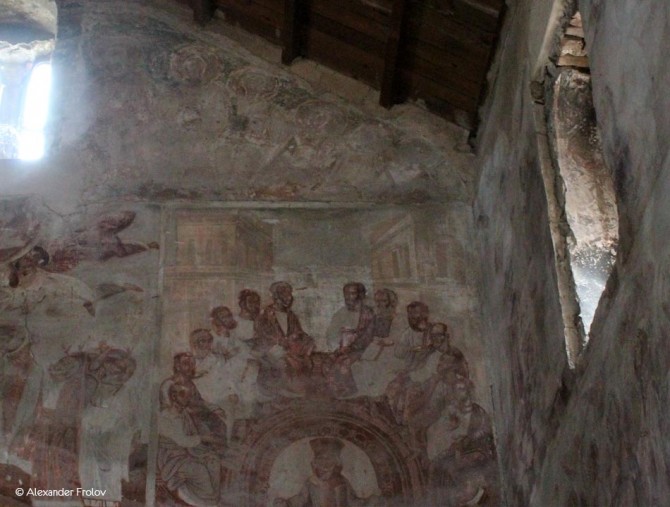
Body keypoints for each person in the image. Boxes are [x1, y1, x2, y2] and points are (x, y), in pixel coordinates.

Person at [157, 382, 224, 507]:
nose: (188, 399)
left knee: (213, 461)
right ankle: (205, 502)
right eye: (184, 395)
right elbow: (182, 441)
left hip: (187, 452)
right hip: (172, 458)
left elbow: (191, 436)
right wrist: (204, 438)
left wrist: (205, 449)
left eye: (189, 395)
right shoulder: (165, 417)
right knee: (199, 470)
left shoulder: (184, 414)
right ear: (174, 396)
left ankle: (212, 500)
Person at [254, 282, 312, 396]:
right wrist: (280, 341)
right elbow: (262, 334)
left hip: (290, 348)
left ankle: (297, 387)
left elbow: (298, 332)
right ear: (276, 296)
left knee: (306, 361)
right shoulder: (266, 314)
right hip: (270, 349)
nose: (289, 297)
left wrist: (305, 339)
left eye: (290, 294)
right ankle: (284, 389)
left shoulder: (291, 315)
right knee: (284, 363)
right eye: (285, 294)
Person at [273, 437, 367, 507]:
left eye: (328, 459)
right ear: (316, 462)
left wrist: (368, 503)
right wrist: (287, 504)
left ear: (336, 462)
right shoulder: (312, 482)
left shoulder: (342, 482)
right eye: (321, 459)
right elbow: (301, 499)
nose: (324, 463)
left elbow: (352, 501)